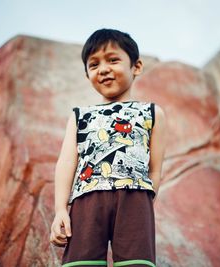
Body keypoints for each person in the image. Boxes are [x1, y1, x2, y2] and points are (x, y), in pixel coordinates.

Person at [49, 28, 167, 267]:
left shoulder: (153, 113)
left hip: (135, 199)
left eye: (113, 60)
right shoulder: (79, 116)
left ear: (136, 66)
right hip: (86, 201)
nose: (103, 69)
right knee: (81, 263)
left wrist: (143, 202)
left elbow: (155, 168)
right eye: (94, 65)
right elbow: (66, 163)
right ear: (87, 75)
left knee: (137, 263)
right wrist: (61, 209)